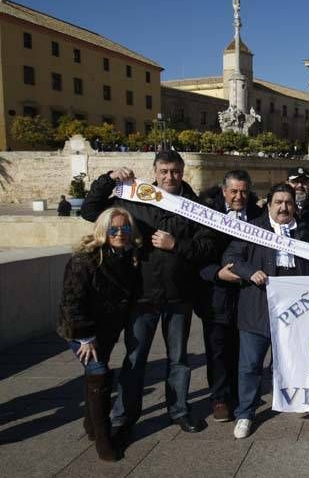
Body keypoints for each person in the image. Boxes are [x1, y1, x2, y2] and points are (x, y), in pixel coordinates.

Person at [81, 150, 217, 437]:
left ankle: (179, 410)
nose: (169, 177)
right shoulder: (134, 199)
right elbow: (91, 211)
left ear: (183, 172)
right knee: (135, 358)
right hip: (141, 296)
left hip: (179, 297)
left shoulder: (196, 206)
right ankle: (125, 416)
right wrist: (107, 180)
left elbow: (207, 247)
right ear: (155, 172)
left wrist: (176, 244)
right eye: (164, 171)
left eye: (175, 171)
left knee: (179, 360)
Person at [224, 183, 309, 439]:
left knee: (296, 359)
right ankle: (245, 413)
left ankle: (297, 399)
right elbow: (232, 258)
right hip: (257, 306)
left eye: (288, 202)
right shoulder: (252, 228)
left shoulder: (306, 231)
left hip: (297, 311)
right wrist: (249, 272)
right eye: (278, 202)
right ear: (269, 205)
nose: (283, 207)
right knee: (250, 365)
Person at [58, 207, 142, 460]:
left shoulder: (128, 256)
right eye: (113, 229)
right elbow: (72, 301)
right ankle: (103, 438)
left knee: (95, 373)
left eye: (125, 228)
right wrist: (85, 337)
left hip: (106, 329)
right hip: (81, 330)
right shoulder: (85, 260)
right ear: (103, 230)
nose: (119, 233)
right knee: (99, 374)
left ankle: (90, 425)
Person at [196, 170, 263, 422]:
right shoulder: (206, 214)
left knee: (242, 346)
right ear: (224, 191)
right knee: (217, 348)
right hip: (217, 291)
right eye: (234, 191)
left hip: (246, 293)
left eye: (243, 191)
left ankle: (239, 392)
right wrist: (217, 274)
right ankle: (220, 398)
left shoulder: (257, 215)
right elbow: (198, 254)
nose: (239, 196)